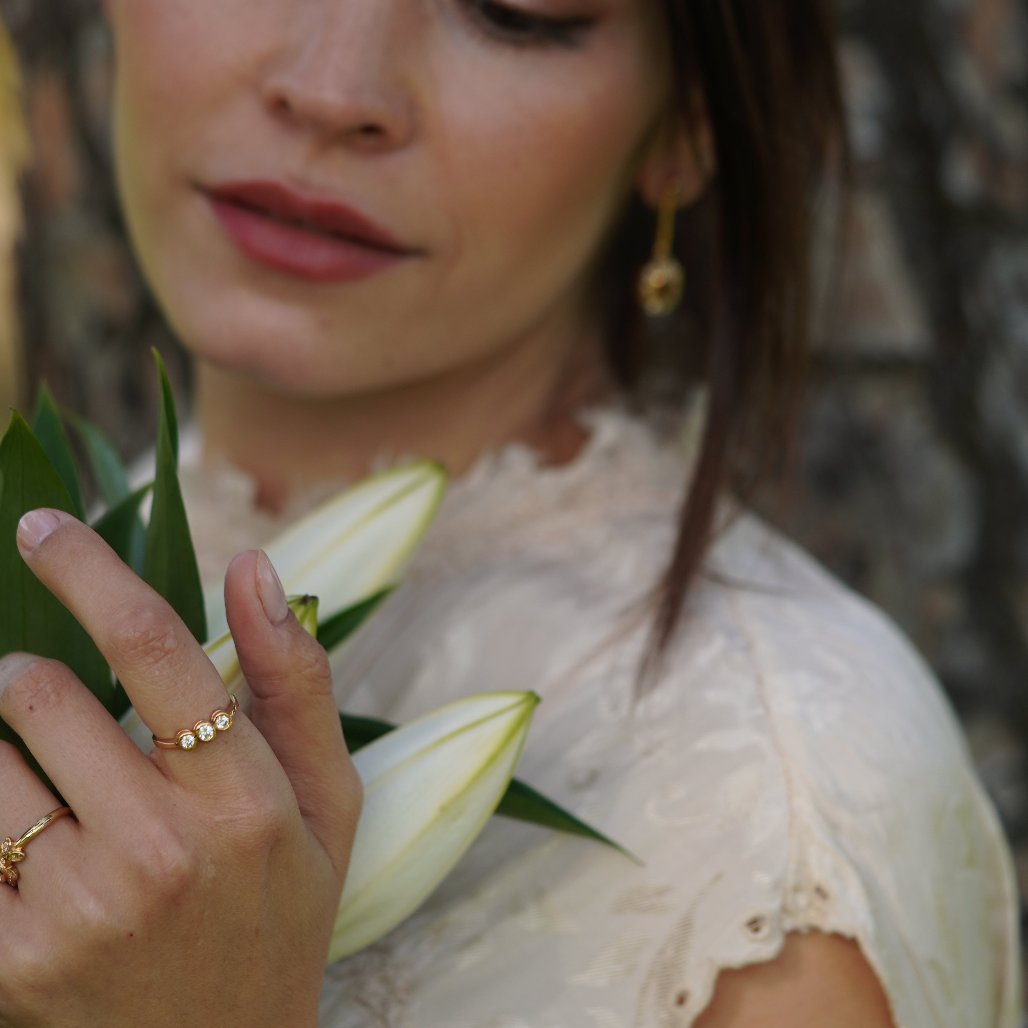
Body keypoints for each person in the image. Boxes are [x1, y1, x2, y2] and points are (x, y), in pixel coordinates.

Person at [0, 1, 1020, 1025]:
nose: (330, 90)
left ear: (685, 125)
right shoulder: (79, 538)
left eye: (512, 12)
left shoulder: (765, 823)